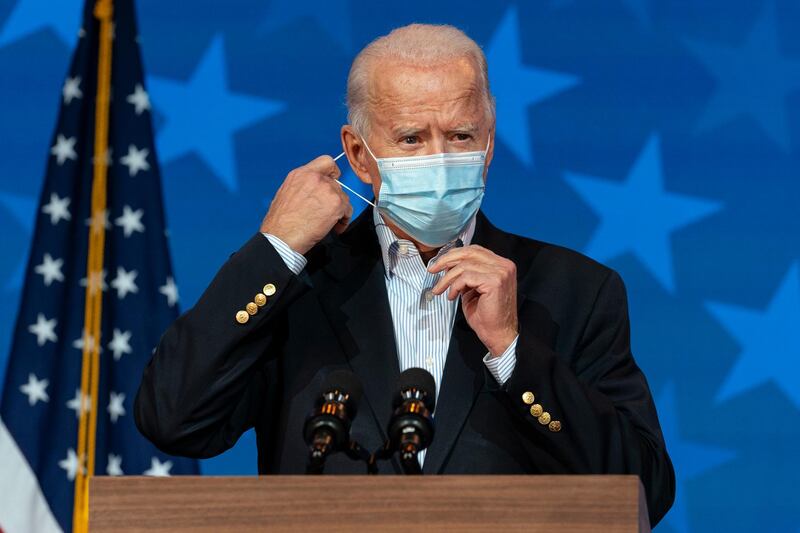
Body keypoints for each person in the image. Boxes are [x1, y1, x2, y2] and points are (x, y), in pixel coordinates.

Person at [134, 23, 675, 525]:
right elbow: (173, 419)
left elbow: (643, 491)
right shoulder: (300, 284)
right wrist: (275, 248)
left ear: (489, 143)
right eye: (412, 138)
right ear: (358, 154)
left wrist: (513, 353)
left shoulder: (574, 290)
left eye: (461, 136)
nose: (439, 158)